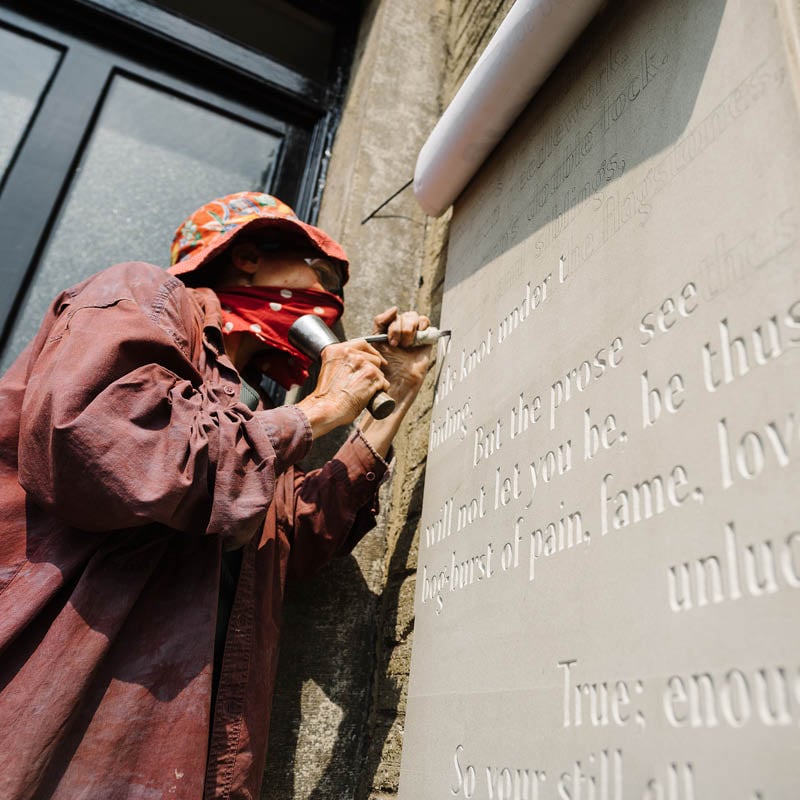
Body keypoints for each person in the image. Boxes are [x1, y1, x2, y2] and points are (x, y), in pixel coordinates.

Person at [0, 191, 431, 799]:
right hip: (49, 719)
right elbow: (103, 447)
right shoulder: (142, 294)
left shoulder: (249, 415)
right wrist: (316, 412)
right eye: (325, 275)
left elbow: (292, 541)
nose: (333, 302)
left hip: (173, 759)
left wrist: (398, 390)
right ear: (249, 257)